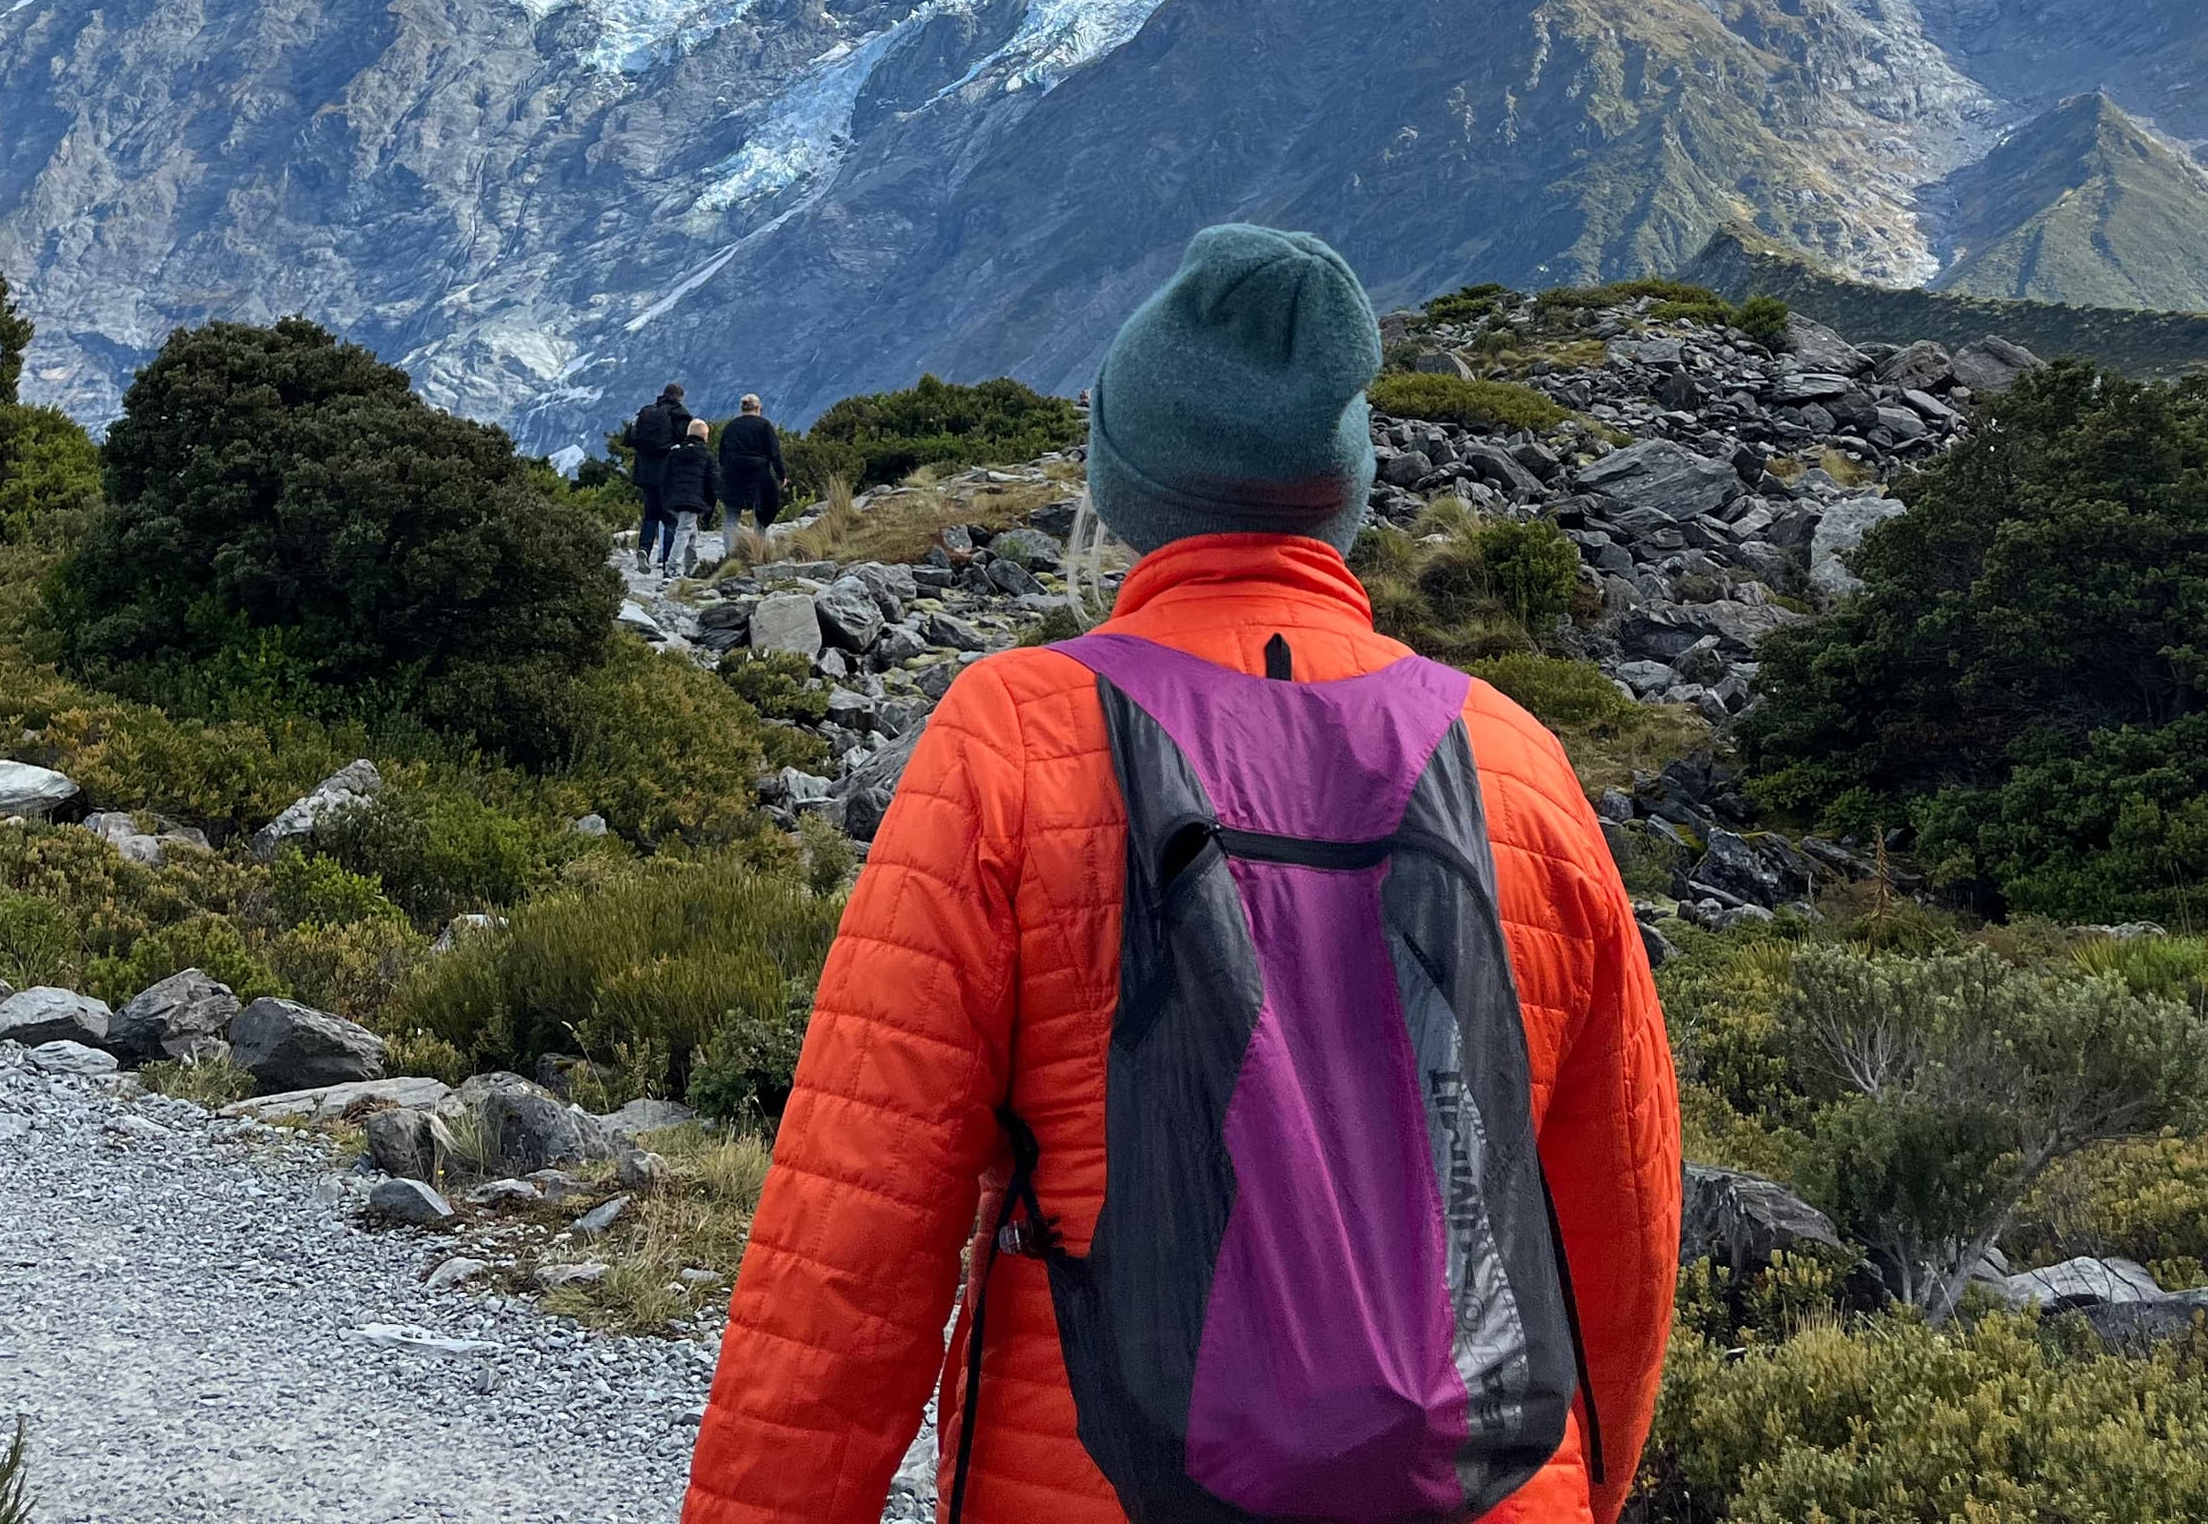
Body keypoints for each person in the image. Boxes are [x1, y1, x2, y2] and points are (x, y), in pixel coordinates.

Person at [681, 223, 1680, 1524]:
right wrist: (1582, 1490)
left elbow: (851, 1240)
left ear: (1124, 483)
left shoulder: (1012, 740)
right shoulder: (1520, 765)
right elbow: (1615, 1234)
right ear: (1344, 486)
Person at [624, 380, 691, 561]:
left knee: (650, 515)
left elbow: (631, 438)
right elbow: (685, 441)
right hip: (667, 473)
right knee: (670, 519)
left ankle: (644, 549)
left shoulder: (647, 412)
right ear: (680, 398)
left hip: (645, 473)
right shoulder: (680, 414)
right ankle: (667, 561)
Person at [656, 417, 725, 571]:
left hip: (673, 499)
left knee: (691, 532)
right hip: (693, 500)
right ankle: (672, 568)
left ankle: (690, 566)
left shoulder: (673, 452)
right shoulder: (706, 455)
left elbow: (663, 477)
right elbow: (714, 481)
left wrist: (665, 498)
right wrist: (715, 500)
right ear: (705, 436)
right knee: (683, 531)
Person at [715, 393, 786, 531]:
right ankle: (759, 542)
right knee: (762, 511)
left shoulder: (731, 426)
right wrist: (781, 475)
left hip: (733, 475)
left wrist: (725, 472)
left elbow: (722, 454)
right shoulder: (765, 426)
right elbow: (774, 453)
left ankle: (729, 544)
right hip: (759, 475)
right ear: (758, 408)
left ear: (742, 409)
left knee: (731, 512)